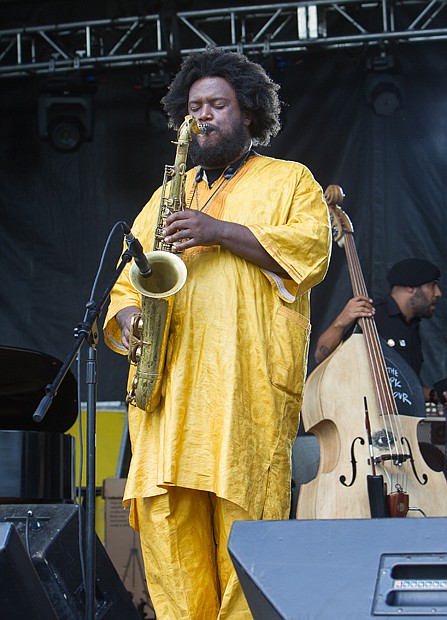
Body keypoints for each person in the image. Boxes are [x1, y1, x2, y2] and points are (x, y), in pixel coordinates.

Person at [104, 47, 331, 619]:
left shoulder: (290, 181)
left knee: (247, 548)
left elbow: (310, 252)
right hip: (168, 410)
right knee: (168, 546)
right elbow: (128, 283)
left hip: (243, 401)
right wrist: (128, 318)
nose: (203, 116)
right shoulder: (164, 198)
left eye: (218, 105)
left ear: (249, 113)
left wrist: (218, 230)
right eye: (195, 106)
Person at [314, 257, 446, 403]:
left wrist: (435, 394)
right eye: (433, 286)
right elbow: (321, 356)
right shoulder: (370, 315)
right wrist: (340, 322)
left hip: (397, 422)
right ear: (411, 286)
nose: (438, 293)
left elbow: (399, 389)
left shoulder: (412, 327)